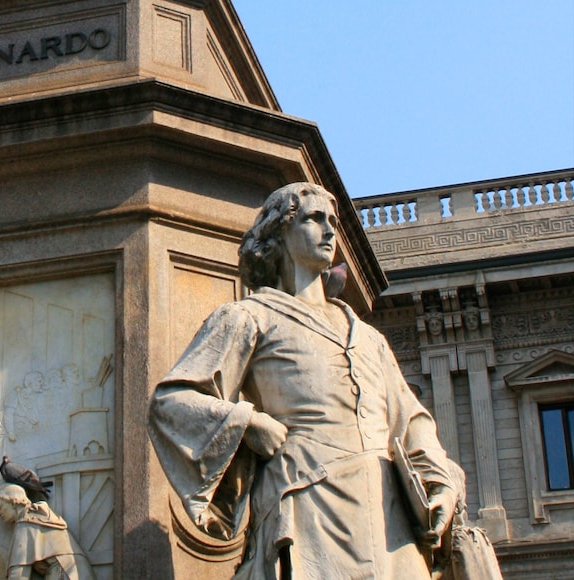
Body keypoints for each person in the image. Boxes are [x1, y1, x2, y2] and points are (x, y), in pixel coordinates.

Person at [148, 183, 457, 579]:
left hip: (390, 521)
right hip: (309, 509)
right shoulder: (249, 317)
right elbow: (172, 401)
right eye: (314, 219)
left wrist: (438, 482)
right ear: (279, 232)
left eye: (333, 222)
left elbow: (411, 422)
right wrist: (248, 423)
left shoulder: (369, 338)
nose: (329, 232)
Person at [0, 484, 95, 580]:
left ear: (13, 503)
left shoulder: (26, 523)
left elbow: (18, 574)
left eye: (0, 506)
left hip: (64, 573)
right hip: (79, 572)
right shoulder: (38, 516)